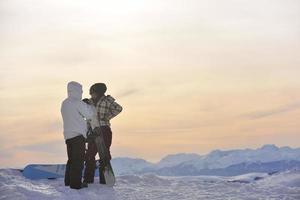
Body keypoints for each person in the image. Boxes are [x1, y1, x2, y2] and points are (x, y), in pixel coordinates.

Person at [61, 81, 99, 189]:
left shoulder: (65, 103)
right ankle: (76, 184)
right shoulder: (78, 102)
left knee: (71, 160)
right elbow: (90, 115)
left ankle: (68, 181)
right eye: (81, 91)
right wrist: (90, 106)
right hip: (78, 136)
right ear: (77, 91)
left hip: (68, 136)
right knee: (78, 161)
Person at [83, 83, 122, 184]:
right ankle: (88, 179)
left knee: (104, 153)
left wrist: (107, 117)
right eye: (90, 93)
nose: (91, 95)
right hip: (92, 130)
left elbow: (118, 109)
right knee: (90, 153)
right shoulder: (89, 102)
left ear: (98, 92)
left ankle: (104, 179)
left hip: (104, 129)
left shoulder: (107, 100)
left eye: (93, 93)